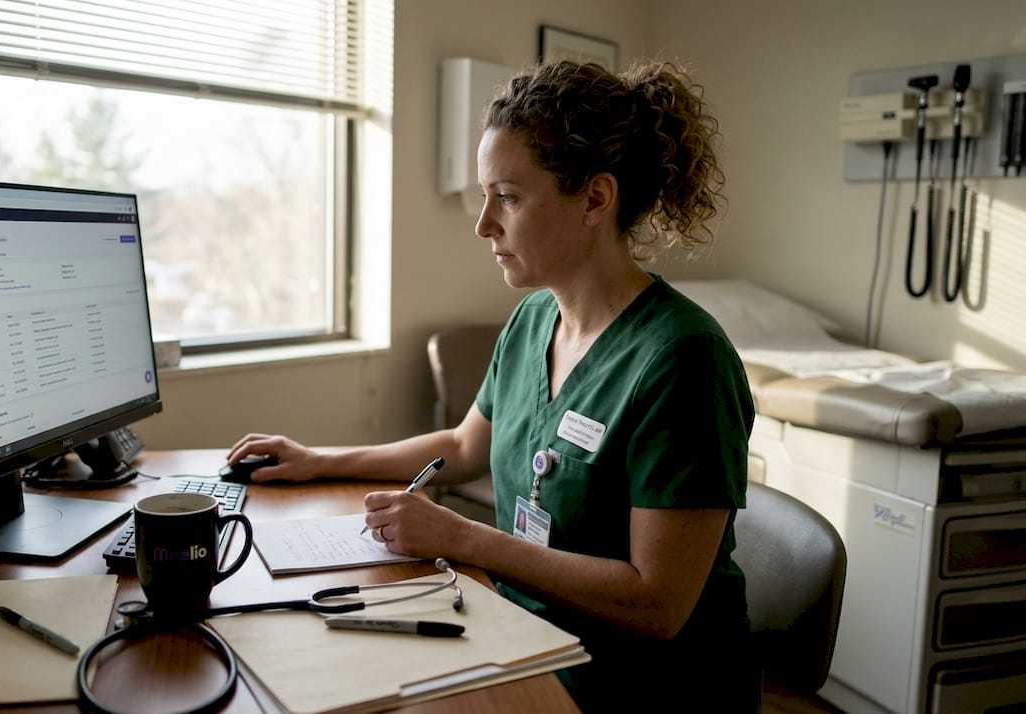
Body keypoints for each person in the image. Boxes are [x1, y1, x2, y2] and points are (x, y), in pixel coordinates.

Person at [227, 59, 757, 711]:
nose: (483, 224)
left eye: (507, 196)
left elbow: (658, 603)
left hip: (640, 685)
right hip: (527, 636)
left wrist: (463, 538)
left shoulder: (682, 360)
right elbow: (464, 444)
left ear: (595, 198)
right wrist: (319, 460)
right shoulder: (535, 318)